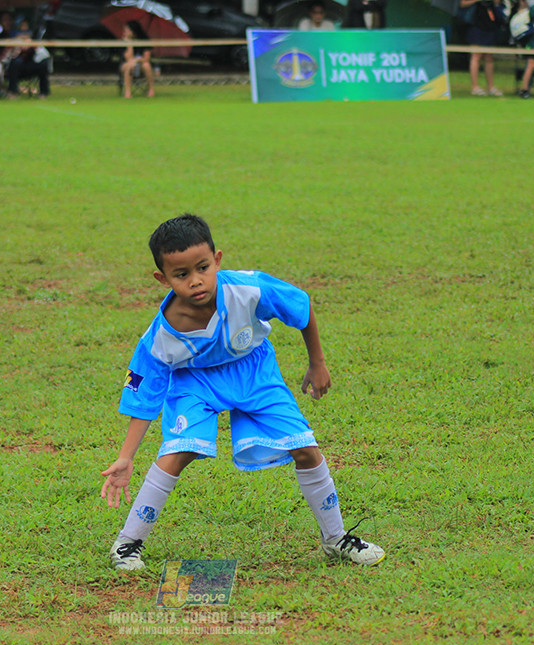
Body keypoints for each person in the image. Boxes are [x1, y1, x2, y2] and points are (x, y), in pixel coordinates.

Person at [100, 214, 386, 571]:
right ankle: (127, 544)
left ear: (217, 259)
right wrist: (126, 458)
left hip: (254, 371)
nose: (196, 281)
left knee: (306, 449)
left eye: (203, 267)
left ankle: (336, 538)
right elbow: (144, 398)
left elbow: (300, 305)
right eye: (182, 274)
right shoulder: (161, 335)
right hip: (195, 381)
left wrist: (318, 363)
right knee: (178, 453)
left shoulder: (249, 290)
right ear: (162, 278)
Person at [461, 0, 505, 96]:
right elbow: (463, 3)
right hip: (476, 26)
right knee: (476, 56)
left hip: (490, 25)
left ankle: (490, 87)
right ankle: (475, 87)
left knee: (489, 57)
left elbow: (498, 4)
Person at [120, 21, 154, 98]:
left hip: (141, 64)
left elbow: (146, 58)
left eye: (127, 30)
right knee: (130, 65)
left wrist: (136, 60)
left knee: (147, 65)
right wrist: (129, 44)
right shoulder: (123, 42)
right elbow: (128, 58)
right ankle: (128, 92)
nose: (125, 32)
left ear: (133, 31)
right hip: (127, 65)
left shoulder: (145, 41)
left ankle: (151, 90)